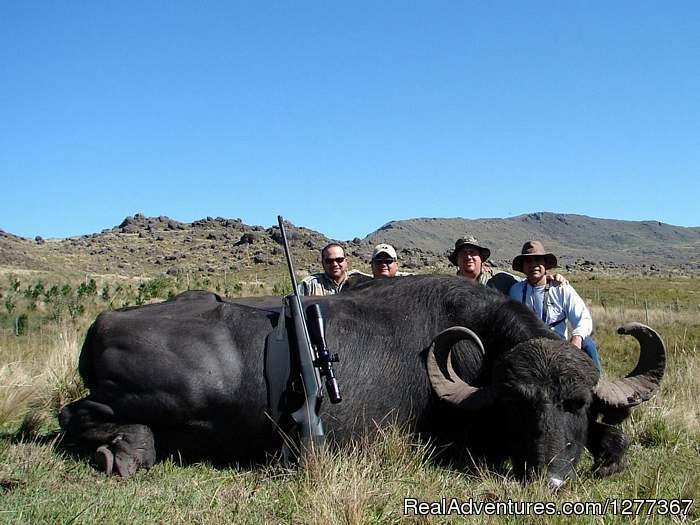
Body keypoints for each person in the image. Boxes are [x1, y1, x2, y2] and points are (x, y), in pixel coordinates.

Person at [508, 241, 601, 369]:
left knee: (587, 344)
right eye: (528, 261)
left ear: (545, 265)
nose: (533, 265)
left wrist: (577, 338)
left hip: (559, 350)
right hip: (527, 351)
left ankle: (597, 385)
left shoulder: (561, 288)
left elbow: (583, 319)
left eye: (538, 260)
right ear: (523, 267)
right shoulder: (515, 290)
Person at [448, 236, 519, 294]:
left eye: (472, 252)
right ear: (457, 259)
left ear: (481, 257)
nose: (468, 257)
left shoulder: (501, 280)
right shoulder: (450, 288)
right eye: (463, 253)